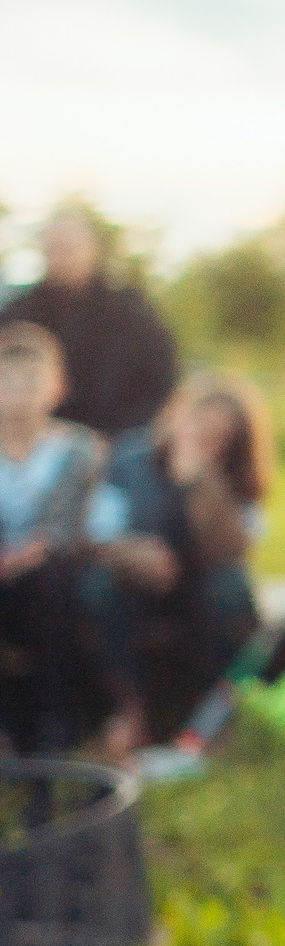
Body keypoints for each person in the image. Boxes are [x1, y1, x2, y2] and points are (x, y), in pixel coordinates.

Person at [80, 371, 272, 752]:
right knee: (98, 587)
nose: (202, 440)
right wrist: (135, 554)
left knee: (230, 589)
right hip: (137, 582)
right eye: (197, 424)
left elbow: (233, 550)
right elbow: (98, 533)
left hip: (203, 588)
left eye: (217, 436)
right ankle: (129, 713)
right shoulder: (130, 458)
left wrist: (202, 486)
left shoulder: (236, 478)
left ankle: (213, 718)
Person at [0, 323, 108, 756]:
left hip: (51, 577)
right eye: (9, 380)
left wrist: (22, 558)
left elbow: (72, 528)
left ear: (57, 388)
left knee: (52, 585)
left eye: (32, 381)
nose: (20, 392)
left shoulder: (80, 451)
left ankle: (51, 729)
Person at [0, 205, 178, 444]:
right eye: (54, 249)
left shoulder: (133, 314)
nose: (62, 257)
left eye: (70, 248)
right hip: (31, 445)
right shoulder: (18, 314)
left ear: (93, 249)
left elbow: (162, 382)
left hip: (118, 442)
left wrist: (113, 436)